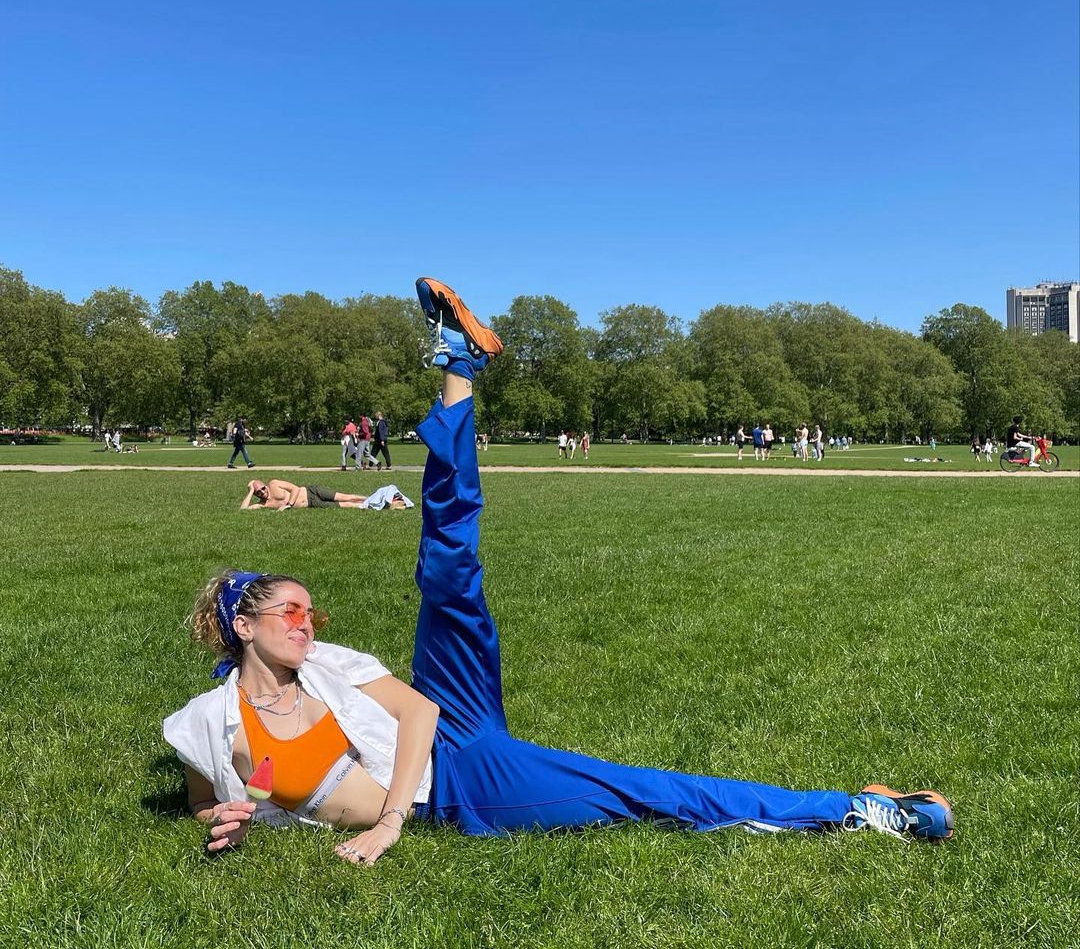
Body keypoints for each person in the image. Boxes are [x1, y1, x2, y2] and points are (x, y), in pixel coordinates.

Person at [165, 277, 953, 866]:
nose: (308, 623)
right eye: (291, 614)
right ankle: (859, 808)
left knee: (447, 572)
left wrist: (390, 823)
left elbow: (421, 715)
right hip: (464, 787)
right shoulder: (210, 720)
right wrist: (228, 819)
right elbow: (209, 799)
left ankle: (458, 368)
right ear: (244, 627)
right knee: (642, 793)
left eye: (310, 611)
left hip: (456, 753)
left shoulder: (328, 667)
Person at [240, 478, 411, 511]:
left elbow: (296, 488)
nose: (263, 492)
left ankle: (379, 498)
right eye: (258, 492)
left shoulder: (274, 484)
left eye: (262, 488)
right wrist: (250, 490)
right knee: (347, 505)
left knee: (346, 496)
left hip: (311, 491)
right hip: (312, 504)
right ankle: (380, 505)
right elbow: (243, 510)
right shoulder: (263, 505)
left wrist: (288, 505)